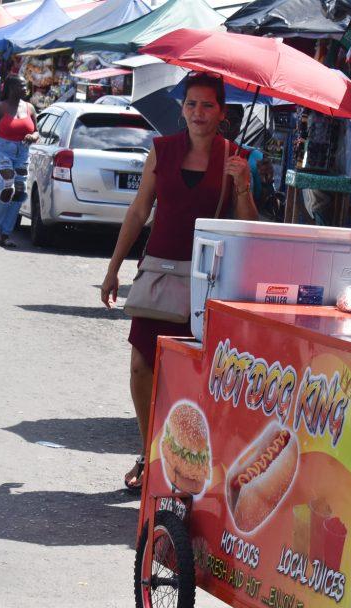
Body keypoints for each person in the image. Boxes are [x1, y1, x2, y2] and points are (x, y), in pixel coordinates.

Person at [100, 72, 258, 492]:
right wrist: (114, 268)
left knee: (195, 376)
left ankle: (188, 468)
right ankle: (149, 453)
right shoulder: (161, 151)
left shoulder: (236, 157)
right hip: (159, 273)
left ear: (222, 112)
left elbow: (251, 229)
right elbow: (138, 212)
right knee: (141, 366)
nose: (198, 113)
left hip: (209, 284)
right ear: (181, 108)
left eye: (208, 105)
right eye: (191, 104)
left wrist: (242, 186)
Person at [0, 75, 38, 248]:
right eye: (21, 85)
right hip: (3, 151)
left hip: (23, 153)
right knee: (7, 187)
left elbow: (37, 132)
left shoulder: (30, 108)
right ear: (12, 88)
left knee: (18, 192)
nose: (25, 87)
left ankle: (6, 233)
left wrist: (32, 136)